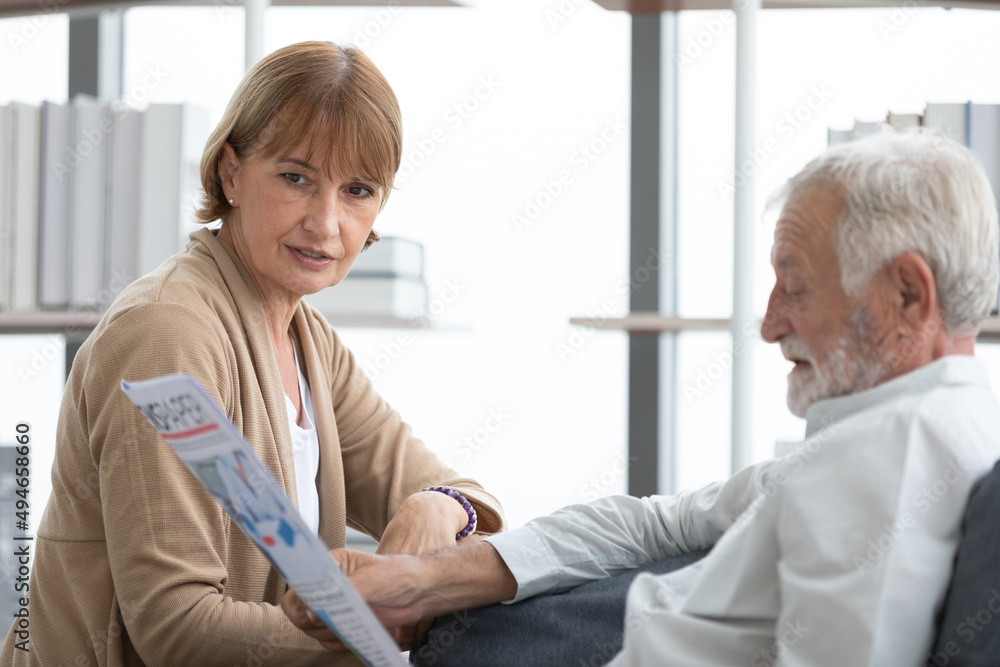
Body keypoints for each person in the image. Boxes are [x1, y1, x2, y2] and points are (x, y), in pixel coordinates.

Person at [282, 129, 1000, 666]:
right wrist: (423, 579)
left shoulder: (888, 452)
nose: (771, 321)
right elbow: (661, 522)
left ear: (908, 293)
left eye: (798, 286)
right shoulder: (907, 428)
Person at [0, 41, 503, 666]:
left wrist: (437, 505)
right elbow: (176, 631)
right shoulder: (168, 332)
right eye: (296, 178)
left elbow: (466, 494)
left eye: (357, 190)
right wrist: (377, 628)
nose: (326, 224)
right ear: (231, 172)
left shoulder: (307, 338)